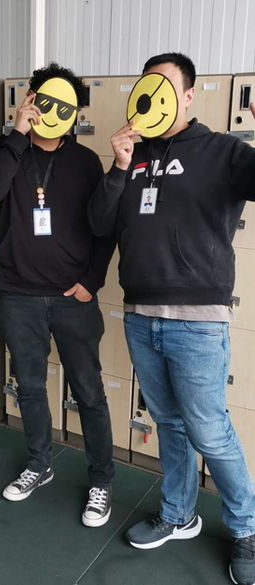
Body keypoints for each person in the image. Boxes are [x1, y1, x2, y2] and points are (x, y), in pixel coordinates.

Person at [88, 52, 255, 585]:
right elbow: (99, 224)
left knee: (210, 430)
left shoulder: (222, 150)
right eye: (146, 86)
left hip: (197, 320)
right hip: (141, 314)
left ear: (187, 95)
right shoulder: (132, 153)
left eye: (164, 86)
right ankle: (179, 514)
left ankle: (247, 528)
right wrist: (118, 166)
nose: (153, 96)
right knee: (169, 423)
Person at [0, 62, 115, 527]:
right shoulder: (3, 148)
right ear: (30, 99)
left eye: (64, 105)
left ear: (75, 112)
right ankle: (40, 464)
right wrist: (17, 135)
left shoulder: (86, 161)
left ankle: (101, 480)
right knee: (30, 387)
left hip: (72, 297)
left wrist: (92, 282)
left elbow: (104, 228)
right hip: (19, 293)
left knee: (89, 391)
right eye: (43, 100)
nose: (52, 111)